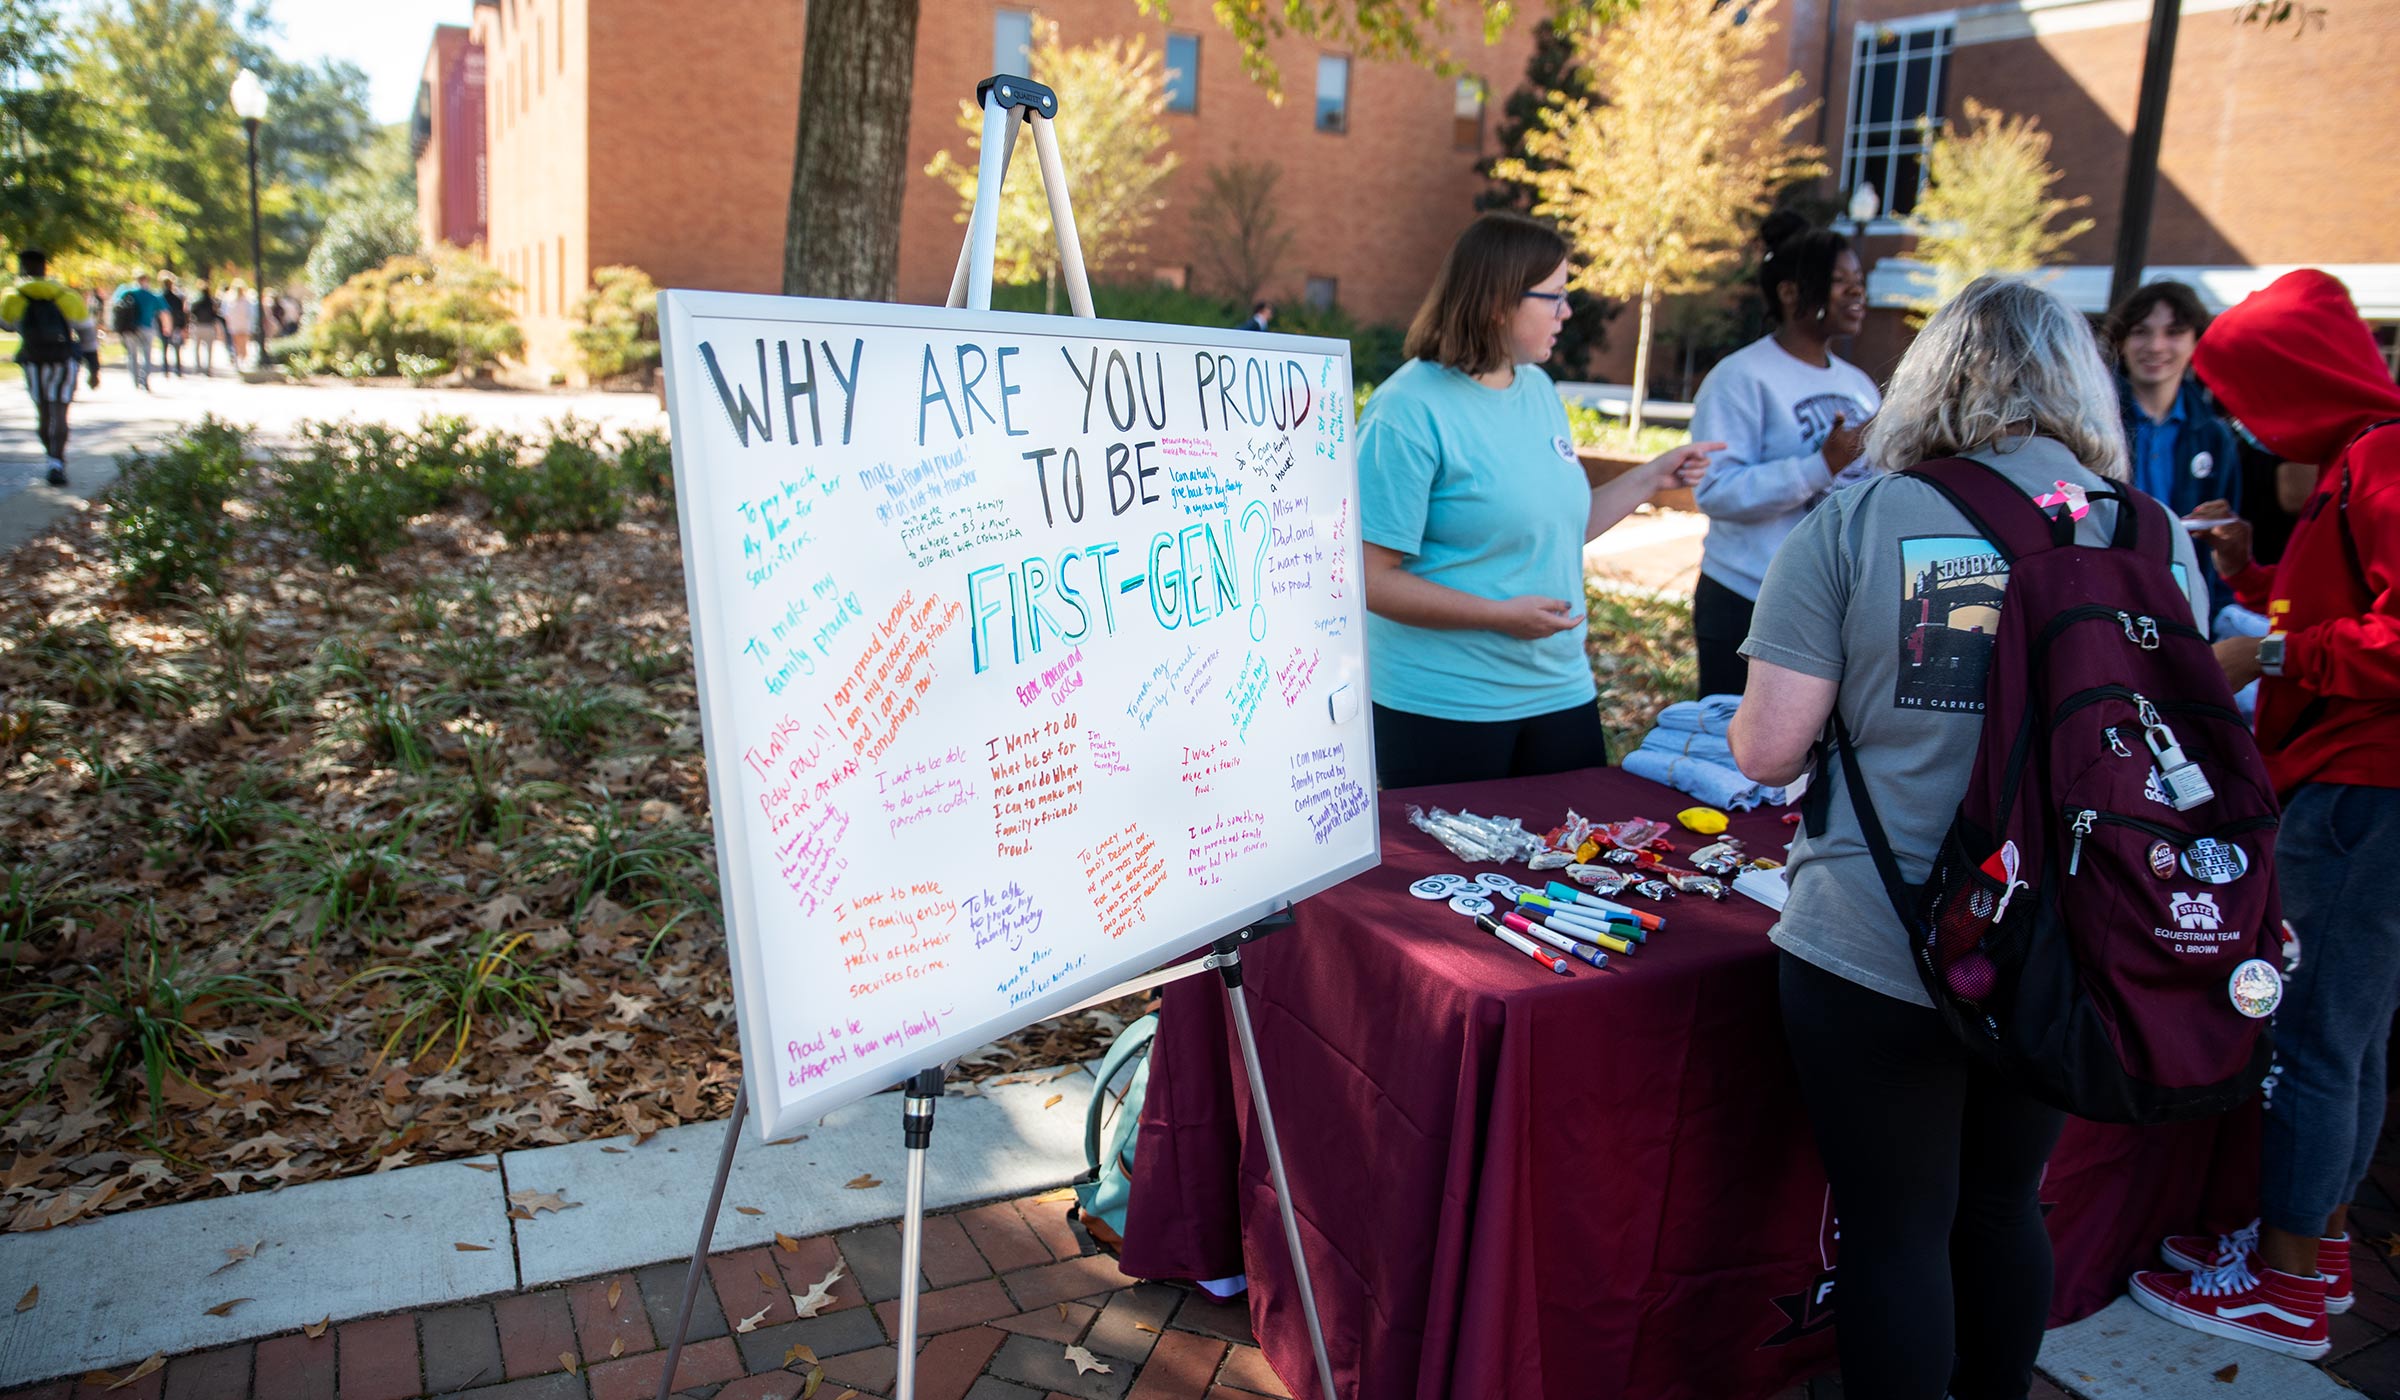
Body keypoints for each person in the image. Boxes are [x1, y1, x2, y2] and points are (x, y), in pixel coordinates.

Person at [1727, 277, 2210, 1400]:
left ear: (1930, 377)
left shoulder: (1862, 515)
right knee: (2003, 1202)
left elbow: (1765, 749)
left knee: (1896, 1230)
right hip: (2068, 933)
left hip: (1875, 932)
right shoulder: (2154, 532)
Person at [2127, 269, 2400, 1361]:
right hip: (2354, 780)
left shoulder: (2383, 460)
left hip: (2360, 790)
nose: (2240, 420)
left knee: (2316, 1034)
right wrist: (2266, 570)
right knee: (2359, 1030)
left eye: (2247, 395)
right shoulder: (2358, 461)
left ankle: (2283, 1282)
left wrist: (2274, 647)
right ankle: (2318, 1240)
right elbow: (2359, 596)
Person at [1359, 211, 1717, 788]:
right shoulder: (1407, 410)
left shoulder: (1540, 391)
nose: (1567, 313)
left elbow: (1555, 526)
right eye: (1554, 297)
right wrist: (1500, 617)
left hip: (1559, 688)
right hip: (1446, 705)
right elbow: (1371, 579)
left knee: (1568, 868)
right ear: (1499, 302)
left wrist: (1652, 476)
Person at [1688, 211, 1880, 698]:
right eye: (1839, 282)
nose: (1857, 293)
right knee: (1739, 759)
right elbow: (1715, 491)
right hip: (1747, 599)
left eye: (1859, 281)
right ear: (1791, 292)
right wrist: (1820, 466)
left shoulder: (1858, 387)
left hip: (1832, 604)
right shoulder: (1740, 377)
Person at [2105, 280, 2242, 615]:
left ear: (2197, 341)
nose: (2156, 345)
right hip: (2107, 600)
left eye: (2174, 332)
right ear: (2121, 342)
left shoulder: (2215, 435)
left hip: (2184, 607)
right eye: (2140, 331)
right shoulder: (2094, 423)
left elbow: (2226, 539)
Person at [0, 250, 98, 486]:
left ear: (22, 268)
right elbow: (87, 333)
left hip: (33, 361)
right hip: (64, 361)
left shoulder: (14, 296)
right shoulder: (66, 296)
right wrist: (94, 367)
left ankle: (50, 458)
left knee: (43, 414)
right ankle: (58, 461)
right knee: (60, 413)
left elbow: (6, 325)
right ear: (45, 267)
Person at [107, 271, 164, 391]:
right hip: (146, 327)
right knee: (146, 355)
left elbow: (115, 307)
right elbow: (164, 312)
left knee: (132, 355)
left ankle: (135, 381)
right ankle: (145, 380)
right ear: (146, 281)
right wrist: (166, 327)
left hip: (129, 329)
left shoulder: (126, 293)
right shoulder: (151, 295)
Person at [157, 271, 188, 378]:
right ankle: (178, 369)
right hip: (176, 326)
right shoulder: (177, 299)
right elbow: (182, 314)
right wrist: (183, 326)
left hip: (163, 327)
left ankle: (166, 369)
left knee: (164, 349)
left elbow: (157, 314)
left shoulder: (160, 298)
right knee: (177, 348)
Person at [188, 283, 220, 376]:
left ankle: (198, 367)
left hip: (198, 326)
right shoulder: (212, 302)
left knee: (196, 348)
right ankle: (208, 368)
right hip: (209, 326)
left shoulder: (196, 301)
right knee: (209, 349)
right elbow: (215, 315)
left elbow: (192, 313)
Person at [221, 280, 254, 365]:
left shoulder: (245, 300)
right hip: (237, 324)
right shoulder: (232, 300)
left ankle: (242, 360)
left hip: (242, 324)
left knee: (242, 343)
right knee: (239, 343)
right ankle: (240, 360)